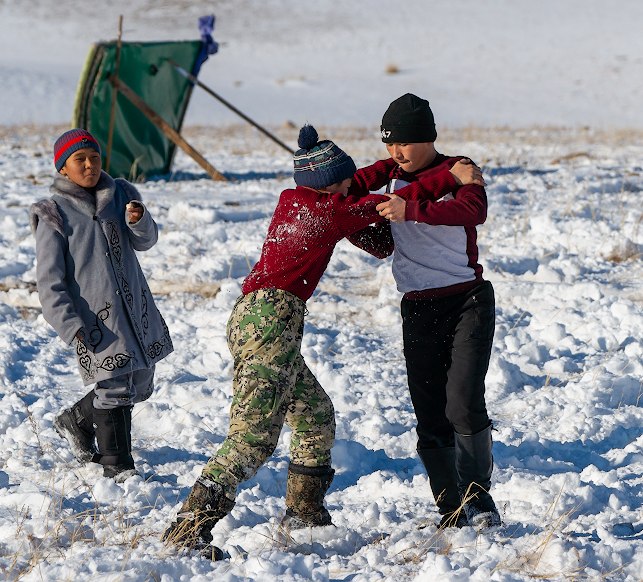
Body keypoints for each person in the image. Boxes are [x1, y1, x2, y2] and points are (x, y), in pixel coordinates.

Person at [162, 125, 474, 559]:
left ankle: (304, 514)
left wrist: (392, 165)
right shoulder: (331, 212)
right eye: (345, 179)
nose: (353, 182)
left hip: (256, 317)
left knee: (315, 416)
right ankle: (189, 529)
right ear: (331, 183)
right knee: (252, 436)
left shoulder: (300, 200)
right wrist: (449, 178)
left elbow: (361, 198)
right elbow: (381, 203)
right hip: (271, 321)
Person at [348, 92, 501, 530]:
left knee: (464, 403)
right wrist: (355, 225)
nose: (396, 153)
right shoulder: (390, 176)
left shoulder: (458, 168)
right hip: (417, 308)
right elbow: (379, 232)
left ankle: (479, 498)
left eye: (404, 144)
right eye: (388, 145)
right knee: (430, 412)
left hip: (467, 301)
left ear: (428, 139)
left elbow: (475, 208)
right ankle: (449, 508)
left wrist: (410, 207)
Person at [29, 129, 173, 482]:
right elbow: (49, 281)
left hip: (136, 310)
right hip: (97, 318)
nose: (89, 165)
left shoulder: (122, 194)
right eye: (79, 160)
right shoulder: (54, 214)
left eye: (94, 157)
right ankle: (118, 467)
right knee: (114, 388)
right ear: (63, 168)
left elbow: (146, 242)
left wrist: (140, 222)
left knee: (139, 381)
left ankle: (75, 421)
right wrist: (69, 323)